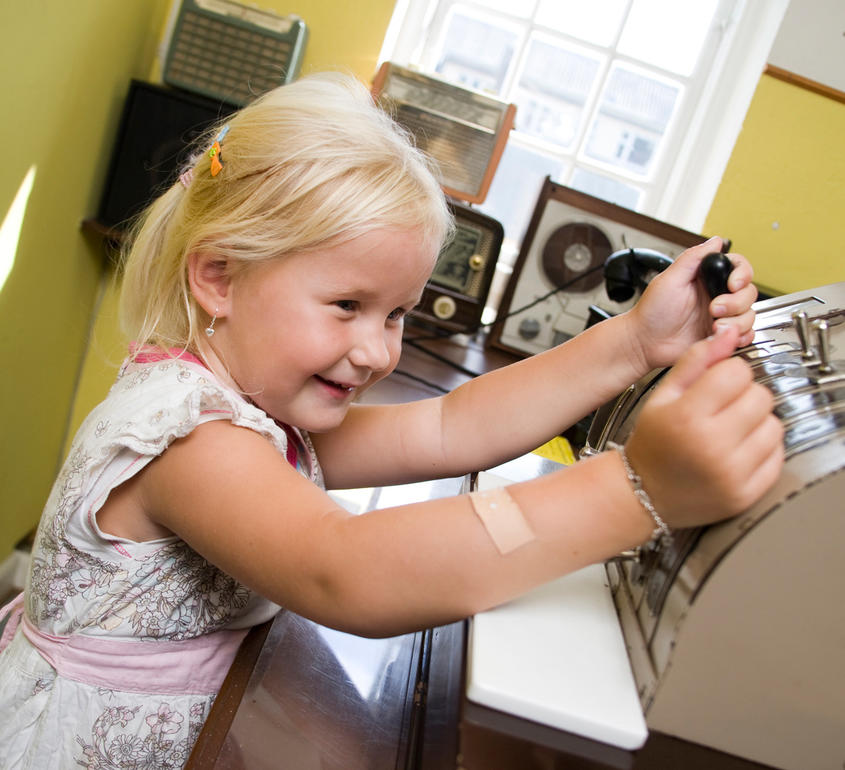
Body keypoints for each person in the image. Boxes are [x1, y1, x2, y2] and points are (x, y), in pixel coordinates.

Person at [0, 71, 783, 768]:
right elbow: (347, 570)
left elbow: (448, 428)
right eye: (348, 306)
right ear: (219, 277)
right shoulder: (188, 437)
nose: (377, 351)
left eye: (398, 314)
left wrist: (636, 339)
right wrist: (637, 487)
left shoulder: (257, 410)